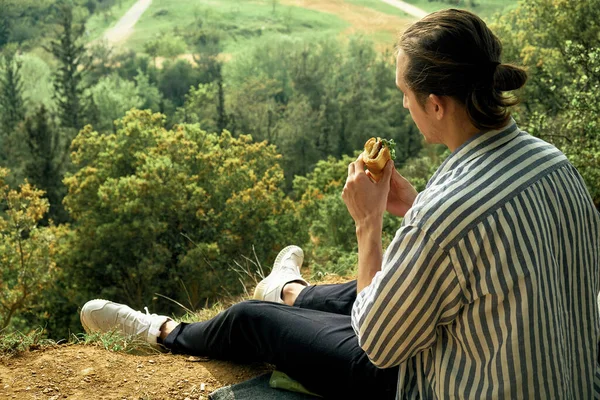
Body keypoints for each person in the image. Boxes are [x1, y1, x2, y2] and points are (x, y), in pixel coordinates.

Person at [80, 9, 600, 399]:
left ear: (436, 105)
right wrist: (413, 206)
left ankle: (163, 331)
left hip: (437, 384)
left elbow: (375, 341)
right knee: (375, 281)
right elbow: (478, 251)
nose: (402, 103)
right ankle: (290, 290)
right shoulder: (553, 163)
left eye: (405, 92)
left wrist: (369, 223)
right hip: (561, 380)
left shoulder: (445, 215)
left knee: (254, 320)